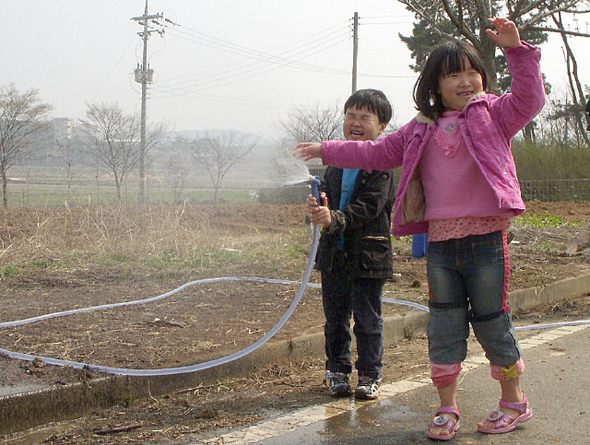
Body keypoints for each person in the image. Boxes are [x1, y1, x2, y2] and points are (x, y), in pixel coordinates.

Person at [294, 18, 545, 440]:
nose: (465, 81)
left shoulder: (496, 113)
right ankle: (447, 409)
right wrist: (325, 149)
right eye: (453, 74)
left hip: (487, 241)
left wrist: (517, 51)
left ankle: (513, 402)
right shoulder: (419, 130)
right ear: (435, 83)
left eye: (472, 72)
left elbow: (531, 98)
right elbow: (374, 152)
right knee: (443, 326)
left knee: (492, 321)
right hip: (443, 244)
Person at [307, 89, 396, 400]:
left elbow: (368, 208)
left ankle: (370, 373)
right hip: (334, 255)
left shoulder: (380, 165)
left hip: (368, 256)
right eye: (351, 116)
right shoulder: (336, 164)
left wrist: (336, 218)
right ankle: (337, 371)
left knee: (368, 320)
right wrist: (319, 208)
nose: (356, 123)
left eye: (365, 117)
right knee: (335, 320)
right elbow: (331, 204)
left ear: (382, 125)